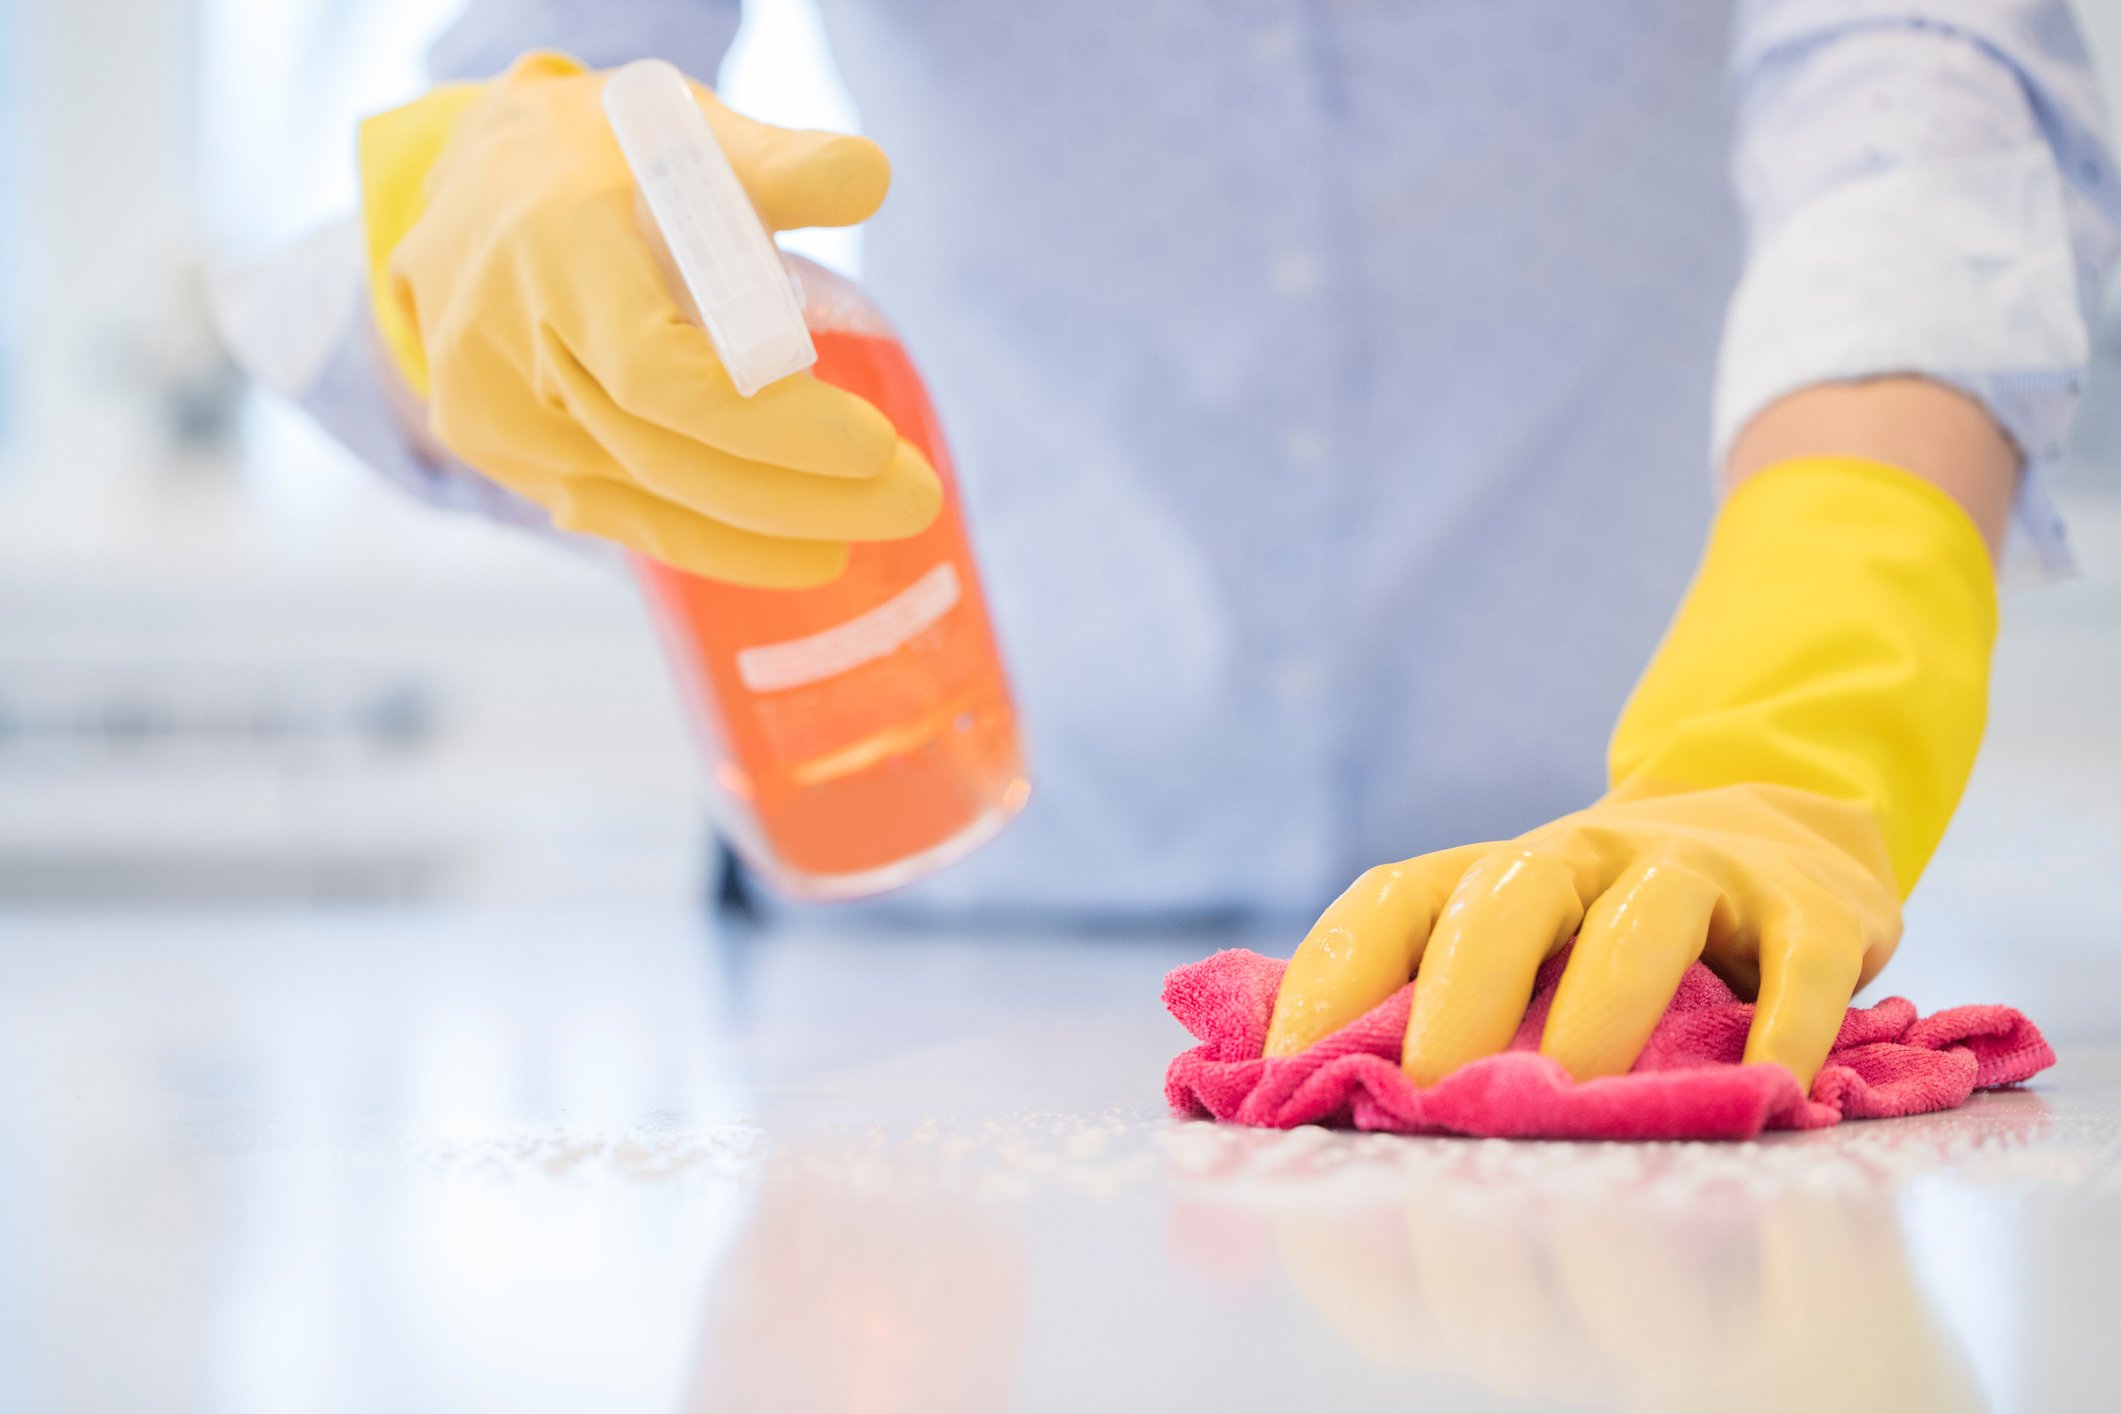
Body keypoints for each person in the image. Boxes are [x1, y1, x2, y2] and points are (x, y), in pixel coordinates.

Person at [227, 1, 2119, 1092]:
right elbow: (502, 130)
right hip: (910, 952)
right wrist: (470, 247)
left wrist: (1788, 736)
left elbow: (1922, 127)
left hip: (1620, 975)